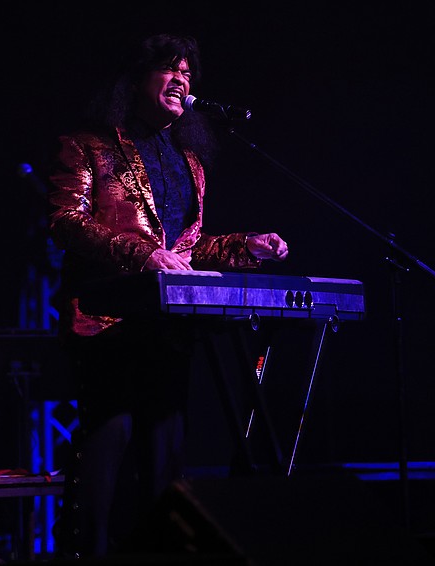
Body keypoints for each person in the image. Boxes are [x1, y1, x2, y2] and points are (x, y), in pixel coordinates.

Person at [45, 33, 289, 558]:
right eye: (168, 69)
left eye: (187, 71)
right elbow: (66, 221)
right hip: (107, 322)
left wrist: (245, 246)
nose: (181, 78)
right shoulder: (88, 146)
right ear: (136, 79)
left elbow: (190, 249)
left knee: (165, 456)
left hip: (168, 327)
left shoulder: (189, 160)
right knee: (108, 449)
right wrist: (140, 255)